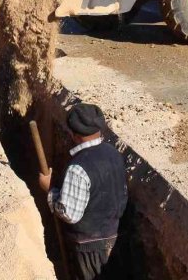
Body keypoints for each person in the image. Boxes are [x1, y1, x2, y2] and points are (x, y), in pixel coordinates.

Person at [38, 103, 128, 280]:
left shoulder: (78, 168)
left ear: (73, 134)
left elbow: (70, 214)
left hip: (89, 248)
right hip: (114, 236)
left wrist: (49, 189)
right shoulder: (114, 153)